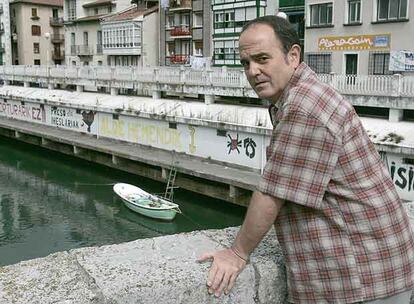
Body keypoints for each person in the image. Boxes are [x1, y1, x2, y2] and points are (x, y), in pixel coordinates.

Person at [197, 15, 414, 303]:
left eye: (262, 58)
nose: (253, 71)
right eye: (245, 63)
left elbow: (272, 192)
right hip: (373, 267)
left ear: (293, 55)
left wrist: (237, 254)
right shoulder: (299, 96)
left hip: (364, 277)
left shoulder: (305, 106)